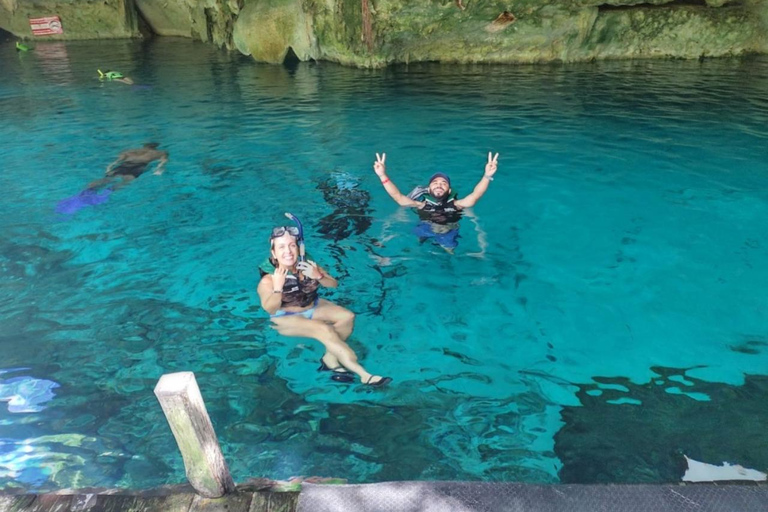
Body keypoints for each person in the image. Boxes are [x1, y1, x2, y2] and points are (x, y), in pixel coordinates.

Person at [257, 223, 392, 387]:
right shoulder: (268, 280)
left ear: (299, 248)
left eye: (292, 245)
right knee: (324, 329)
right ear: (274, 253)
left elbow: (333, 284)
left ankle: (330, 359)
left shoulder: (307, 265)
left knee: (347, 316)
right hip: (285, 317)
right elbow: (269, 308)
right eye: (282, 247)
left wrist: (318, 276)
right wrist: (278, 287)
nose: (288, 251)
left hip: (313, 306)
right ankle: (364, 374)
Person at [372, 152, 499, 253]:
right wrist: (382, 175)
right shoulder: (421, 204)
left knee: (448, 253)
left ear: (449, 190)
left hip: (448, 231)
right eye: (435, 183)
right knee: (418, 247)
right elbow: (398, 197)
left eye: (443, 183)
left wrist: (487, 176)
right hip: (424, 228)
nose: (439, 185)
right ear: (429, 188)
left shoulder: (457, 204)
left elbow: (476, 195)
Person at [86, 143, 168, 192]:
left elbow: (117, 161)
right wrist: (159, 169)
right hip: (140, 166)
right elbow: (163, 162)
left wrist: (109, 167)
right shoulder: (159, 153)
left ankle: (89, 189)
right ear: (156, 147)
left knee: (108, 179)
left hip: (124, 165)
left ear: (143, 146)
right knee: (127, 179)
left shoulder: (129, 151)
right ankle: (109, 192)